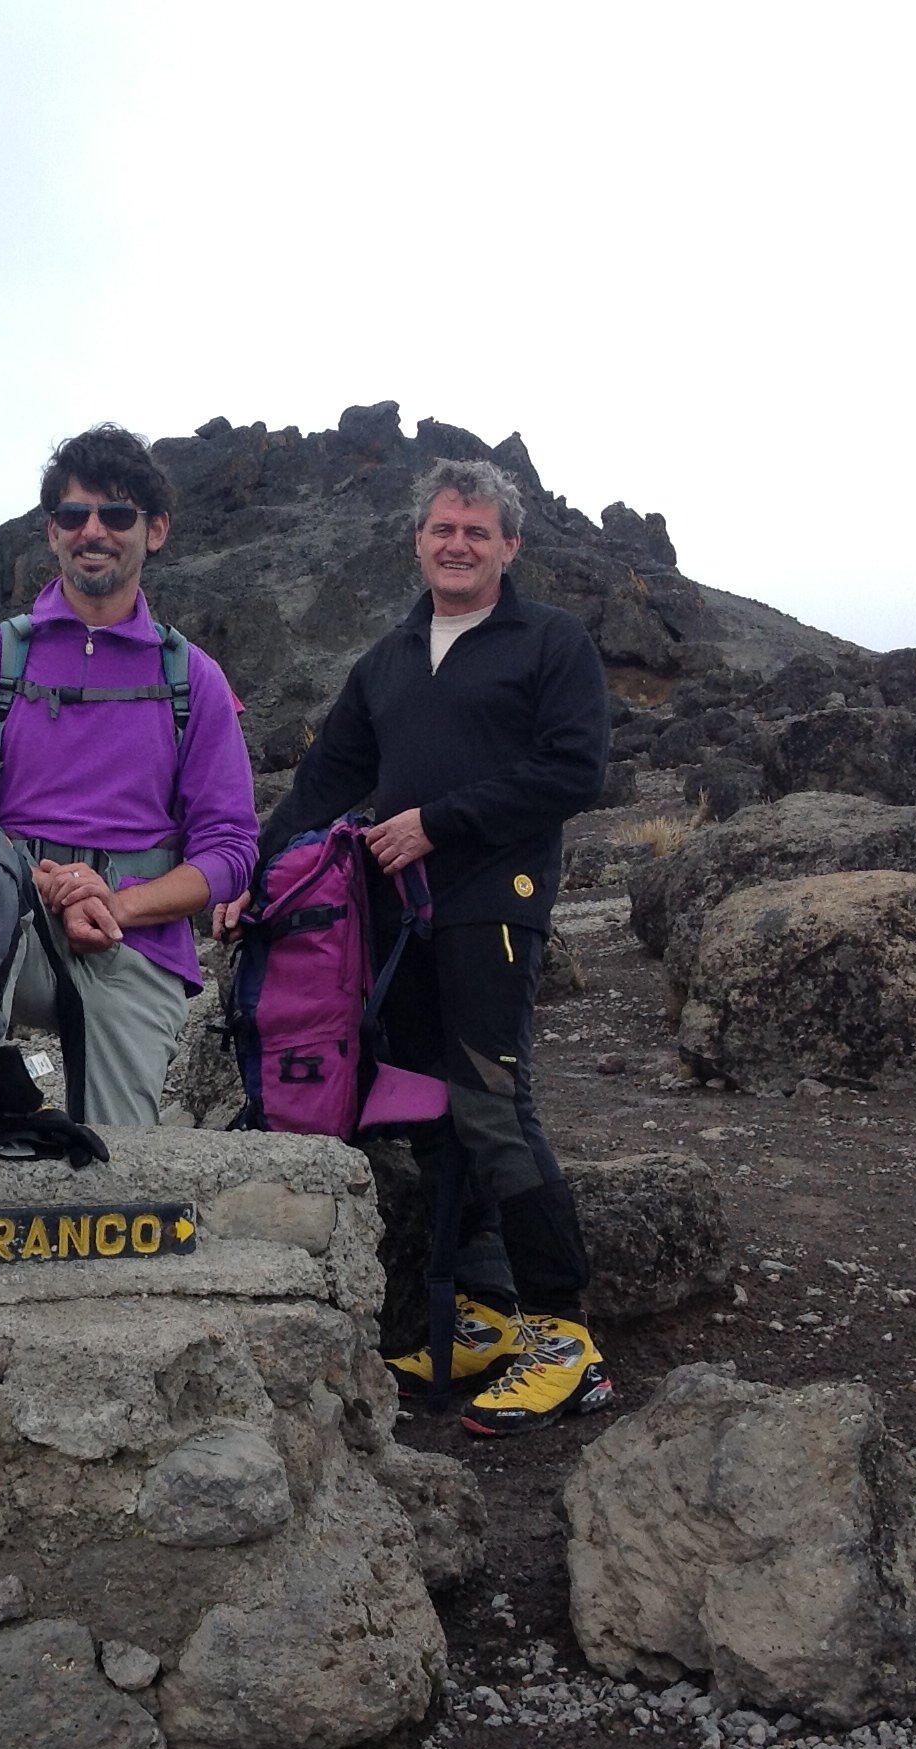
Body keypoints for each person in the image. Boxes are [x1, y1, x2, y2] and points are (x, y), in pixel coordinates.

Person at [219, 458, 613, 1436]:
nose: (459, 544)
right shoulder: (389, 661)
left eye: (479, 532)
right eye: (444, 528)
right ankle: (479, 1305)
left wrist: (439, 820)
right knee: (430, 1108)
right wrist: (252, 881)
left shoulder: (551, 643)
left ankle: (564, 1339)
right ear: (419, 540)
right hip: (393, 922)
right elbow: (324, 782)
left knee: (489, 1101)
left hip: (492, 906)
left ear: (510, 546)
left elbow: (574, 769)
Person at [0, 423, 259, 1125]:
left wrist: (117, 905)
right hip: (1, 920)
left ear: (154, 531)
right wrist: (47, 889)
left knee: (117, 1171)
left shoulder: (195, 680)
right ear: (52, 533)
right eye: (74, 515)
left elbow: (230, 850)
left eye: (116, 514)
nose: (92, 530)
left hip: (134, 941)